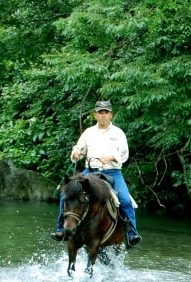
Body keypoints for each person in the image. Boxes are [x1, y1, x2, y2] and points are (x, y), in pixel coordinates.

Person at [51, 100, 142, 247]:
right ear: (95, 115)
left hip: (113, 172)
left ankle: (131, 233)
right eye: (100, 113)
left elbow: (124, 153)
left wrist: (111, 157)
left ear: (111, 115)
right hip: (90, 173)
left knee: (125, 200)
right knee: (65, 194)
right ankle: (61, 229)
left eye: (106, 112)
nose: (103, 115)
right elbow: (79, 148)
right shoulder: (88, 132)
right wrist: (75, 153)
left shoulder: (118, 133)